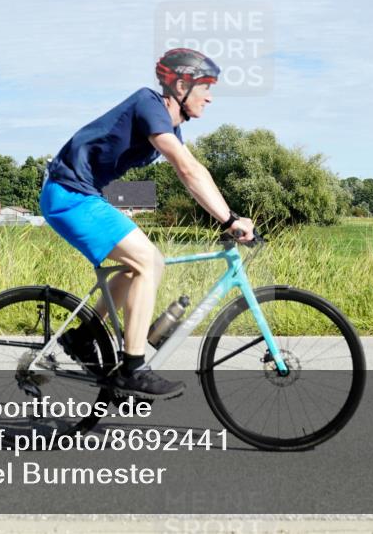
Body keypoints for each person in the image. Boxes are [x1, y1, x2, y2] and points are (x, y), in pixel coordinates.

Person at [39, 48, 255, 400]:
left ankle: (83, 338)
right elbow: (188, 170)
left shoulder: (169, 125)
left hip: (79, 195)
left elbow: (192, 176)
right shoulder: (148, 104)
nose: (211, 97)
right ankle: (133, 367)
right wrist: (230, 219)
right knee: (147, 261)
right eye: (206, 87)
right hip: (69, 195)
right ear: (182, 85)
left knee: (143, 265)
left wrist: (225, 217)